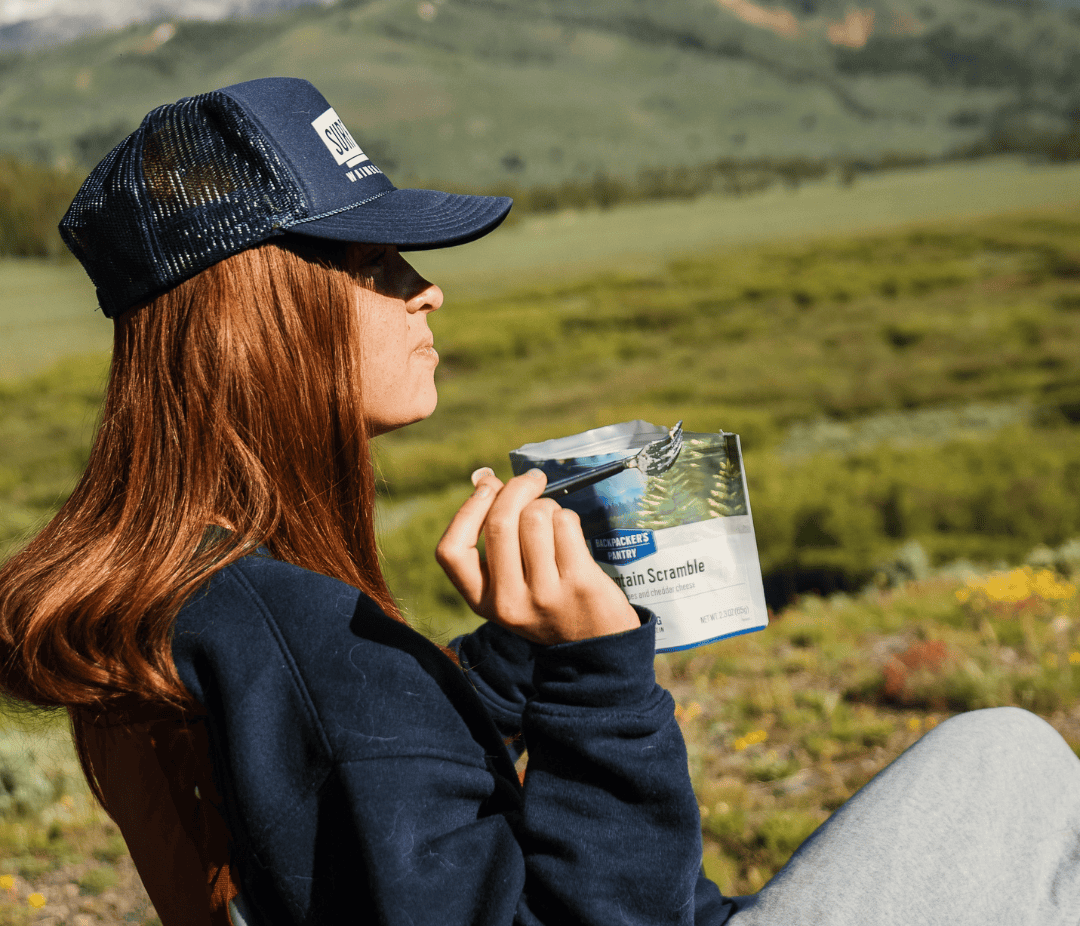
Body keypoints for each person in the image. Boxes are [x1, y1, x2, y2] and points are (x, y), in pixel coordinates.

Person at [0, 77, 1078, 926]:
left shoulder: (200, 602)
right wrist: (595, 681)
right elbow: (376, 750)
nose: (428, 288)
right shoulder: (307, 642)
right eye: (375, 264)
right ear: (264, 320)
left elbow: (383, 810)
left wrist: (509, 659)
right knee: (1005, 758)